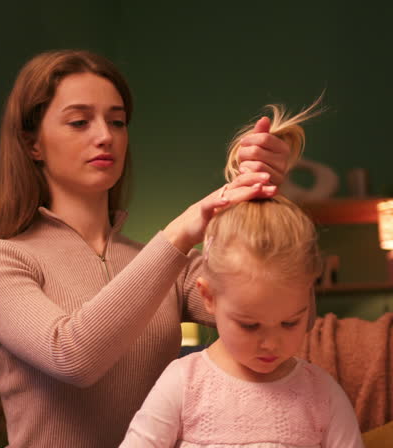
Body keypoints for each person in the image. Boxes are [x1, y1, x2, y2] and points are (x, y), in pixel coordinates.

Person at [0, 49, 294, 447]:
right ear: (33, 145)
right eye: (80, 122)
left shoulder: (171, 267)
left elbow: (281, 317)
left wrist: (263, 198)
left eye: (117, 121)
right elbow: (72, 357)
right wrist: (179, 234)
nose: (105, 136)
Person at [119, 104, 364, 448]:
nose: (271, 343)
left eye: (291, 323)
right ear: (208, 297)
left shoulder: (322, 396)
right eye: (250, 325)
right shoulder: (184, 385)